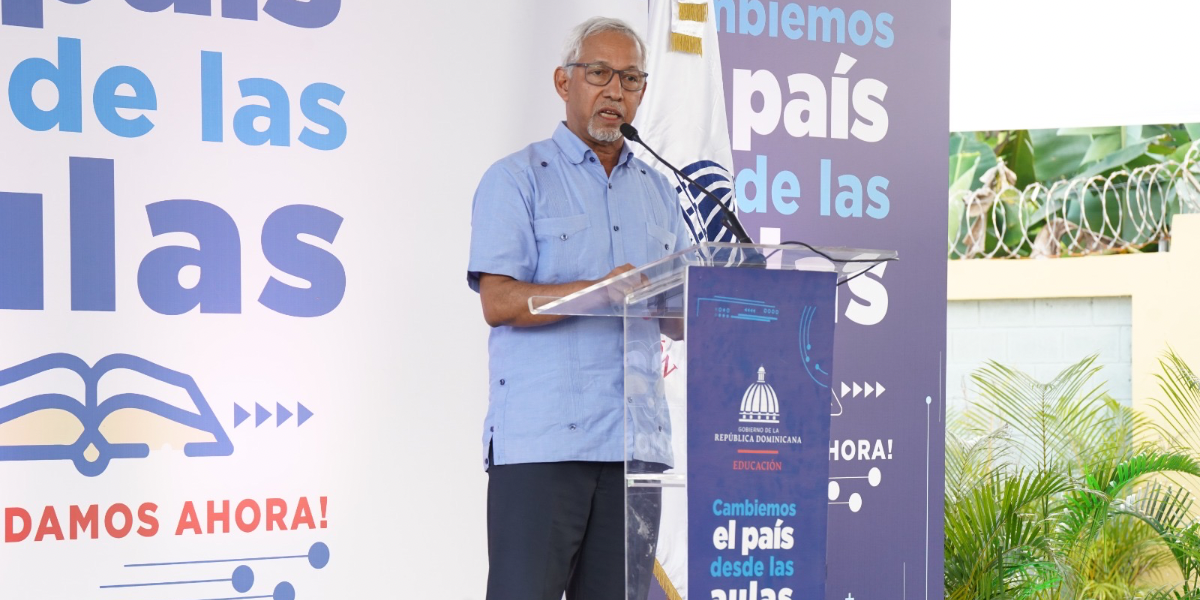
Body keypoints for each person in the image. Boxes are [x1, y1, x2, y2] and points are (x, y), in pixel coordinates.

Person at [466, 16, 691, 600]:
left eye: (632, 79)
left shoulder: (660, 191)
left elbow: (677, 316)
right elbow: (498, 300)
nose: (615, 91)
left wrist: (723, 304)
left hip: (634, 449)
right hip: (544, 446)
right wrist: (599, 290)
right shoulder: (516, 179)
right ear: (564, 83)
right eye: (599, 74)